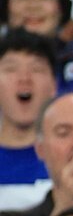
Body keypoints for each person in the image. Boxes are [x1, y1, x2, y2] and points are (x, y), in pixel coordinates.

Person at [0, 30, 55, 187]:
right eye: (11, 69)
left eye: (36, 69)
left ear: (53, 85)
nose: (24, 78)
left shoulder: (69, 158)